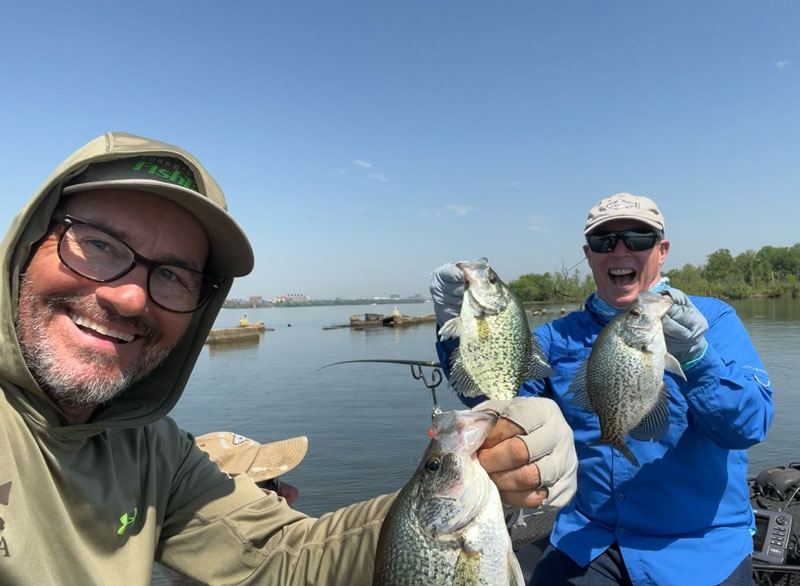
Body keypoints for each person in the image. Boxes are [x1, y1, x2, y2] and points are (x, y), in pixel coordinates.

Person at [0, 132, 578, 585]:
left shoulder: (154, 449)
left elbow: (276, 558)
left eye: (172, 275)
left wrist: (465, 494)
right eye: (97, 244)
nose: (129, 296)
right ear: (26, 243)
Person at [430, 192, 774, 586]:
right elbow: (498, 404)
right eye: (604, 242)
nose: (620, 250)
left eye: (638, 239)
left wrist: (698, 358)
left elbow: (748, 427)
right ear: (589, 254)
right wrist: (460, 332)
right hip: (587, 539)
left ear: (662, 251)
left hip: (698, 548)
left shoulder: (712, 320)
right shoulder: (555, 338)